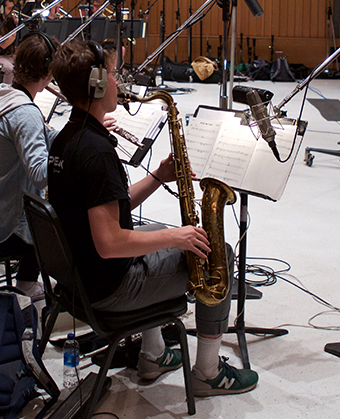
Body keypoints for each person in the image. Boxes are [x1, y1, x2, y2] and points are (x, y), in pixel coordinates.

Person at [46, 40, 258, 396]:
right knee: (216, 253)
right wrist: (177, 237)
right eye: (113, 74)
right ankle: (208, 372)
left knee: (156, 231)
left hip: (77, 280)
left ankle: (153, 353)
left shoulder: (67, 140)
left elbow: (107, 209)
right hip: (109, 289)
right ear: (97, 84)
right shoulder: (96, 153)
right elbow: (111, 242)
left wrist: (159, 176)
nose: (119, 82)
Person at [0, 32, 60, 299]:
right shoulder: (26, 113)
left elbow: (42, 134)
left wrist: (76, 135)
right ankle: (28, 283)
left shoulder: (5, 94)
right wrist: (73, 164)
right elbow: (41, 174)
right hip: (4, 226)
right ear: (46, 75)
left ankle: (27, 278)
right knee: (63, 215)